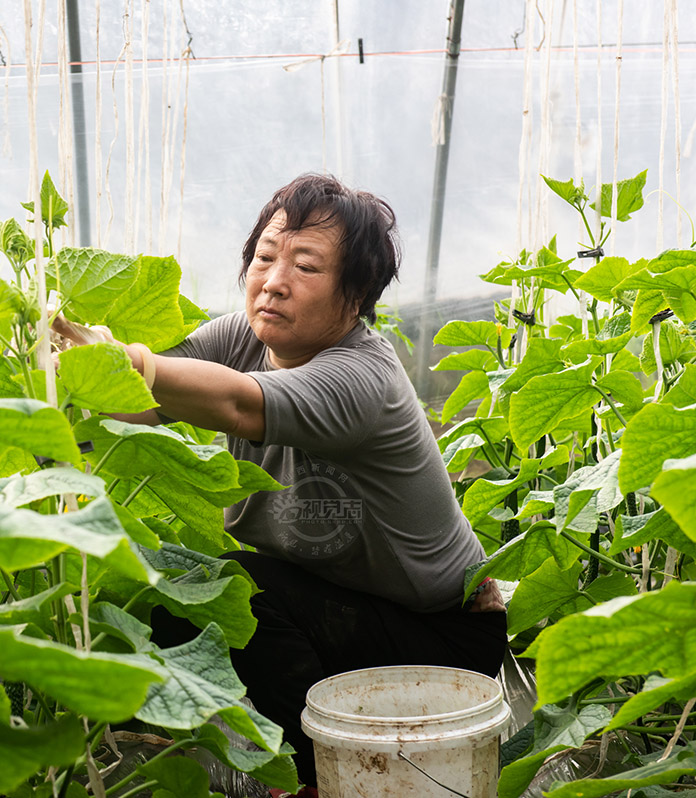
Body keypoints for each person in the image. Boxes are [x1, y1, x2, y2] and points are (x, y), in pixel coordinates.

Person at [52, 174, 507, 795]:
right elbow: (144, 405)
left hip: (437, 638)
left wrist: (130, 362)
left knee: (235, 587)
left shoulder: (361, 376)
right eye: (265, 257)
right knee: (176, 593)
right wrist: (66, 375)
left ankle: (310, 780)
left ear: (355, 295)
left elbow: (240, 406)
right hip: (329, 605)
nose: (274, 281)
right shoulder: (242, 338)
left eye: (306, 265)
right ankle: (298, 764)